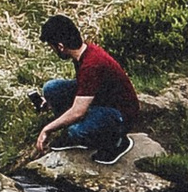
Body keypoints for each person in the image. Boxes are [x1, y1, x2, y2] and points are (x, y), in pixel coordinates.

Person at [33, 14, 140, 160]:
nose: (53, 51)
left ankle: (117, 141)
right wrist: (51, 104)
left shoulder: (91, 65)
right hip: (102, 98)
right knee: (51, 88)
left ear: (61, 47)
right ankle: (75, 124)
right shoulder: (84, 52)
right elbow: (86, 88)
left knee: (77, 131)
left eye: (52, 48)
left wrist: (47, 129)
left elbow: (78, 111)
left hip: (121, 113)